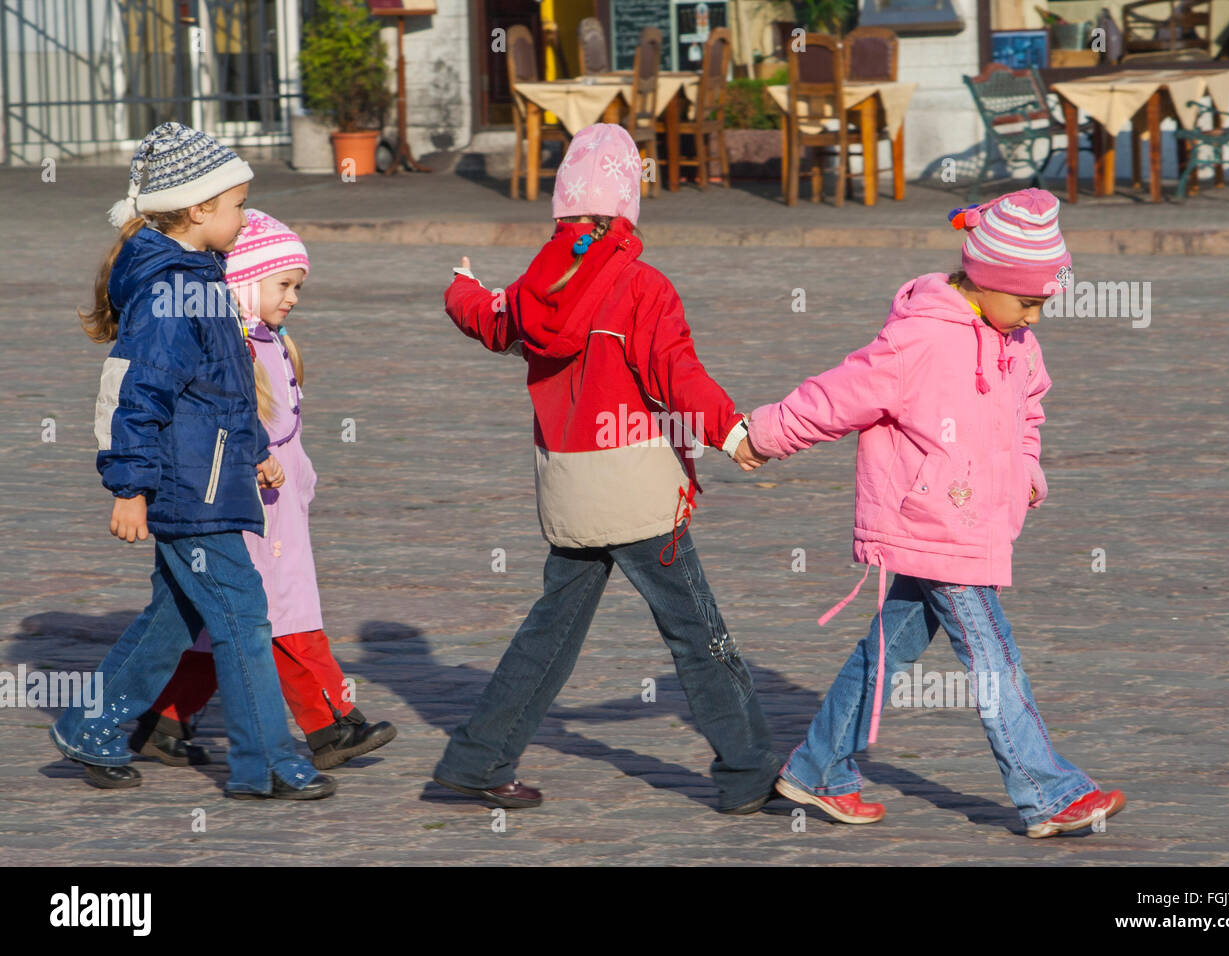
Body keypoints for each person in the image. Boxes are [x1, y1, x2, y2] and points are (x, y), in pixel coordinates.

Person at [738, 189, 1124, 837]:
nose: (1035, 316)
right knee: (994, 656)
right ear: (983, 280)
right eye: (1026, 301)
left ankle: (819, 767)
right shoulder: (919, 338)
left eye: (1042, 304)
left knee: (886, 652)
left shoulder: (1017, 340)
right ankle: (1047, 790)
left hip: (972, 527)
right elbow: (840, 394)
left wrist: (1024, 467)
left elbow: (1028, 410)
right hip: (934, 524)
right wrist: (765, 434)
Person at [434, 123, 782, 815]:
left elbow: (491, 319)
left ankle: (479, 758)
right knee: (697, 632)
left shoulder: (535, 284)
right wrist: (731, 430)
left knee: (551, 631)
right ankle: (748, 772)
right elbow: (677, 372)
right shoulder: (641, 286)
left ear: (563, 211)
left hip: (570, 487)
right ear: (625, 210)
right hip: (638, 489)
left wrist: (461, 288)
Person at [51, 122, 334, 800]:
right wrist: (129, 486)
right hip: (188, 488)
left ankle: (91, 725)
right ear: (198, 208)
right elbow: (135, 388)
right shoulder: (171, 288)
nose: (243, 217)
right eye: (236, 204)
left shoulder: (198, 278)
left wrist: (258, 449)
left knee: (178, 615)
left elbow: (224, 383)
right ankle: (263, 760)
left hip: (209, 475)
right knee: (244, 615)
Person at [131, 210, 397, 772]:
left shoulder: (269, 341)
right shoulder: (239, 352)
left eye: (298, 287)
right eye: (284, 285)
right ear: (245, 282)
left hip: (280, 507)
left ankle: (165, 719)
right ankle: (330, 725)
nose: (294, 297)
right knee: (287, 614)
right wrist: (259, 464)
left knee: (219, 620)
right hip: (255, 510)